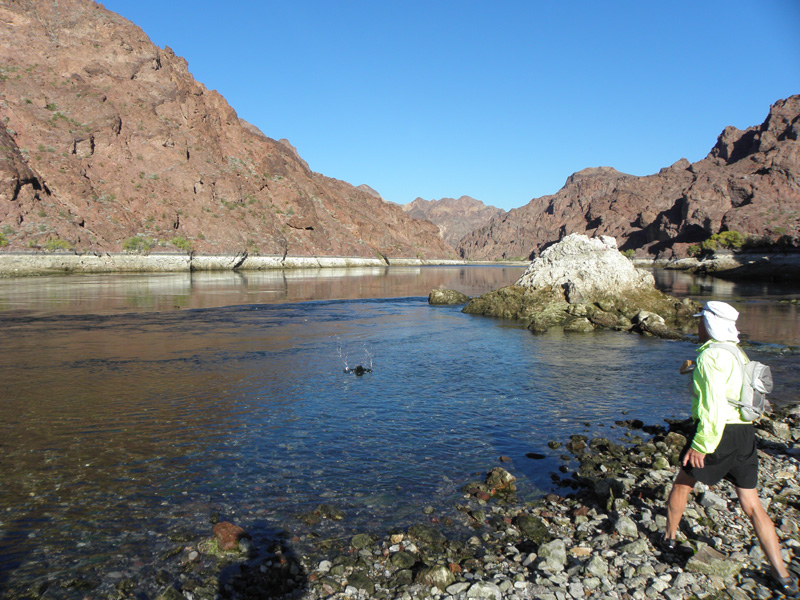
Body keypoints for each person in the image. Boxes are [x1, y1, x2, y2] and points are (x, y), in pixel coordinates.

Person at [663, 300, 797, 596]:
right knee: (752, 505)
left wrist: (701, 444)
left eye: (700, 321)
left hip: (717, 433)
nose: (695, 325)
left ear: (709, 324)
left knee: (683, 483)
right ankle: (782, 575)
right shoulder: (736, 352)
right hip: (744, 435)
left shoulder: (711, 356)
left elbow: (713, 405)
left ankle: (669, 538)